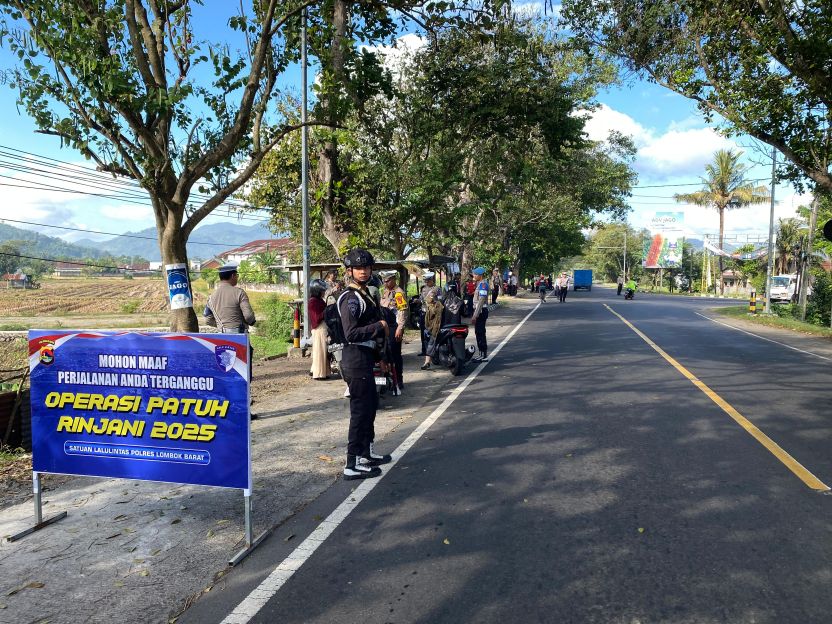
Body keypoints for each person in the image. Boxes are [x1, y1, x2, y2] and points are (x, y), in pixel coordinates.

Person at [338, 248, 392, 480]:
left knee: (370, 407)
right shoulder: (351, 298)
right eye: (358, 268)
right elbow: (351, 333)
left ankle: (367, 453)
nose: (363, 271)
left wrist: (381, 356)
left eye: (366, 267)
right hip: (354, 360)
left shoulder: (365, 294)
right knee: (359, 412)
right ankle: (352, 463)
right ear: (350, 271)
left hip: (366, 359)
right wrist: (379, 326)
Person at [203, 264, 257, 419]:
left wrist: (220, 326)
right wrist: (252, 322)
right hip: (239, 338)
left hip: (221, 339)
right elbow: (248, 316)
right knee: (244, 374)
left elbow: (207, 318)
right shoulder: (239, 293)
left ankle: (229, 410)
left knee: (227, 374)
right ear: (233, 276)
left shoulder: (211, 297)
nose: (237, 277)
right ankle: (244, 411)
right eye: (237, 275)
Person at [379, 270, 407, 393]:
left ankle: (399, 380)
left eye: (388, 280)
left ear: (394, 279)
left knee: (395, 355)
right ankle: (385, 381)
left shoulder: (399, 293)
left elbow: (402, 311)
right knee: (383, 354)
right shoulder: (385, 292)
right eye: (384, 281)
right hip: (384, 326)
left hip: (394, 327)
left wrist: (400, 328)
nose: (385, 283)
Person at [308, 279, 330, 380]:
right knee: (320, 351)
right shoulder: (313, 302)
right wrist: (327, 311)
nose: (324, 292)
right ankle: (319, 373)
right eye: (322, 290)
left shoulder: (319, 300)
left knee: (323, 351)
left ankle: (317, 371)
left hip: (322, 327)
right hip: (319, 328)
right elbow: (317, 318)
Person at [421, 290, 444, 370]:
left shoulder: (437, 305)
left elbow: (437, 321)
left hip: (435, 329)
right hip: (429, 328)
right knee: (428, 343)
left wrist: (434, 332)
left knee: (431, 344)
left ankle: (427, 362)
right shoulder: (430, 305)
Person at [419, 271, 440, 356]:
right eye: (425, 281)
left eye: (428, 281)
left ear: (432, 280)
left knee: (432, 332)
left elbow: (440, 300)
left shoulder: (437, 289)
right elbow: (421, 298)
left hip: (432, 313)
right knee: (423, 332)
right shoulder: (423, 288)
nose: (426, 282)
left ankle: (432, 350)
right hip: (424, 312)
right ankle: (424, 350)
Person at [471, 266, 490, 361]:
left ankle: (483, 355)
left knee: (480, 332)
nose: (473, 275)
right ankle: (481, 354)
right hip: (480, 311)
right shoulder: (479, 284)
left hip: (481, 311)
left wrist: (475, 315)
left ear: (480, 275)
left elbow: (481, 301)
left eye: (475, 274)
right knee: (478, 332)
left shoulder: (483, 285)